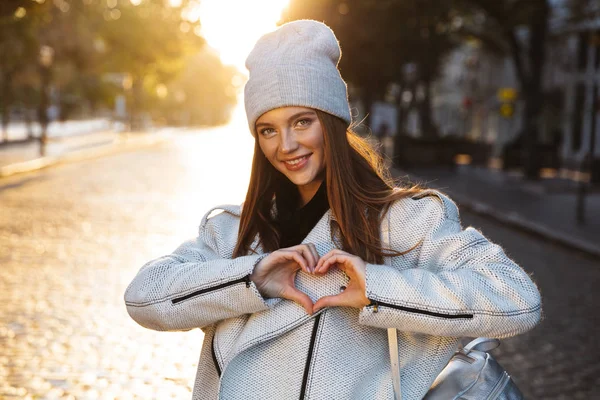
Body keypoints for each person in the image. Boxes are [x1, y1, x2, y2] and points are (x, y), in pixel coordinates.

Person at [124, 20, 541, 399]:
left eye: (302, 122)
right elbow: (143, 297)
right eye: (268, 129)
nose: (285, 146)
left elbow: (516, 299)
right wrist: (252, 280)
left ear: (332, 121)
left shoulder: (403, 222)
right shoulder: (234, 232)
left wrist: (379, 291)